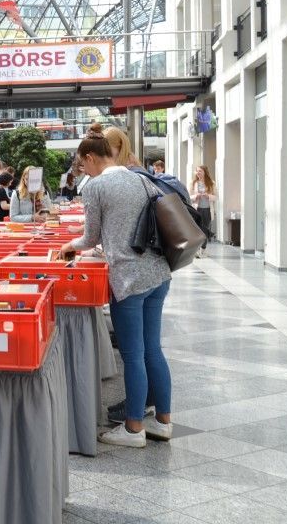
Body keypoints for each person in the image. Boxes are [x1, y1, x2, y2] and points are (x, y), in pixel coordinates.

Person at [60, 129, 173, 448]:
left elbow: (90, 238)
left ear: (90, 158)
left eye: (83, 166)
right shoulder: (142, 178)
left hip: (129, 278)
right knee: (153, 348)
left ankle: (134, 427)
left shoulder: (96, 186)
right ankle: (163, 420)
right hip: (159, 272)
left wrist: (70, 245)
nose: (85, 172)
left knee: (133, 353)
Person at [192, 165, 216, 257]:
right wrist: (195, 196)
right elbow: (188, 196)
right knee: (197, 230)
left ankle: (203, 249)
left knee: (205, 230)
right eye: (197, 171)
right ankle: (197, 250)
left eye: (200, 171)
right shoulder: (194, 183)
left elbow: (216, 197)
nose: (198, 173)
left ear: (205, 172)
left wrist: (208, 196)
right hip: (197, 210)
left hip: (207, 210)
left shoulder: (211, 183)